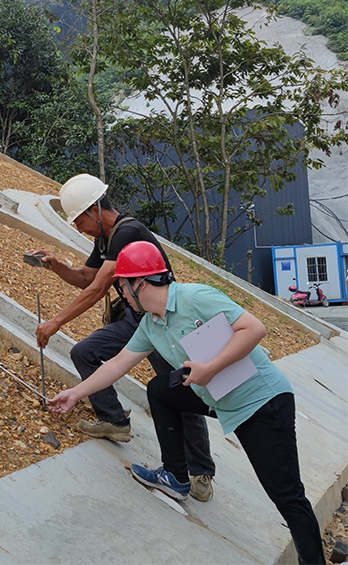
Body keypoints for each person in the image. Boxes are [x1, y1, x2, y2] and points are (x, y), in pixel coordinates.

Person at [48, 240, 324, 565]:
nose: (120, 293)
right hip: (219, 396)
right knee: (161, 389)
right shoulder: (151, 324)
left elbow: (254, 328)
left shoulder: (196, 298)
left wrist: (210, 367)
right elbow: (116, 365)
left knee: (287, 496)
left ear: (140, 282)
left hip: (261, 403)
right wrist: (76, 393)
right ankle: (176, 476)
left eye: (121, 285)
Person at [29, 173, 215, 502]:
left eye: (79, 220)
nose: (78, 227)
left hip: (163, 321)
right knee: (85, 352)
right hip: (136, 318)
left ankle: (201, 471)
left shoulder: (128, 232)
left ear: (95, 210)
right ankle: (114, 420)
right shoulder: (106, 238)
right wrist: (56, 265)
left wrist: (55, 322)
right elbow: (86, 276)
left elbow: (99, 287)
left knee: (180, 388)